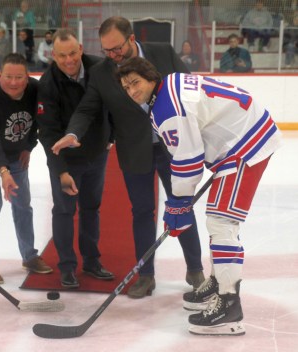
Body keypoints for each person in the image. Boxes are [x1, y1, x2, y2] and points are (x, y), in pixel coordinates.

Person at [116, 56, 282, 336]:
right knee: (218, 219)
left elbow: (188, 160)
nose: (132, 91)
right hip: (244, 133)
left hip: (244, 144)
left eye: (136, 83)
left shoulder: (166, 108)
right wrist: (179, 204)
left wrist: (177, 203)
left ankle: (229, 305)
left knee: (221, 222)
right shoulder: (170, 84)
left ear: (150, 78)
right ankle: (219, 282)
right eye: (126, 86)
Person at [51, 16, 205, 299]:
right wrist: (74, 133)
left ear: (131, 39)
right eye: (107, 50)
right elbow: (87, 109)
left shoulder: (163, 53)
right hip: (135, 151)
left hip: (173, 148)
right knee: (142, 212)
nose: (112, 56)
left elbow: (192, 92)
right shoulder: (101, 72)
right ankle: (145, 276)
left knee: (182, 207)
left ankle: (195, 269)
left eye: (117, 49)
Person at [37, 28, 113, 288]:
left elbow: (113, 102)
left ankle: (92, 262)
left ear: (80, 48)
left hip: (96, 155)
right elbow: (47, 133)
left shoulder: (101, 68)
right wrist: (61, 171)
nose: (68, 60)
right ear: (53, 56)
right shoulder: (48, 84)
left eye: (72, 53)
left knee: (91, 209)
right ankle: (67, 267)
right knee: (64, 211)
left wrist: (109, 137)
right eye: (61, 56)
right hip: (67, 161)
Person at [0, 53, 53, 284]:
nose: (13, 82)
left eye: (19, 77)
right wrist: (3, 171)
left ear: (27, 77)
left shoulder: (35, 91)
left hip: (16, 152)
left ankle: (29, 256)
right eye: (8, 76)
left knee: (23, 204)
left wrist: (28, 145)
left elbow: (40, 120)